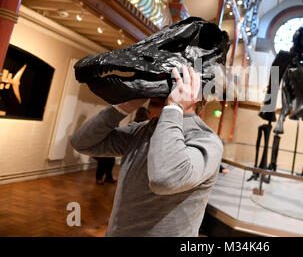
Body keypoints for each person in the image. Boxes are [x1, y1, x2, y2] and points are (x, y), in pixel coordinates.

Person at [70, 66, 223, 236]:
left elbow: (164, 180)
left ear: (193, 91)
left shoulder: (206, 141)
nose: (155, 89)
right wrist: (122, 107)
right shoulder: (142, 131)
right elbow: (82, 143)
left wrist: (174, 108)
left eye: (169, 81)